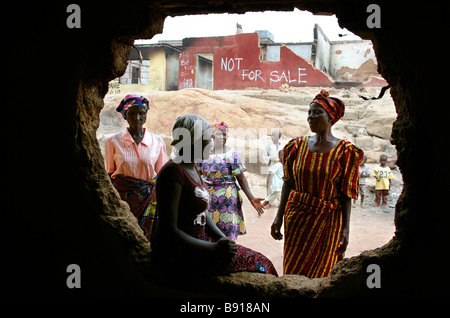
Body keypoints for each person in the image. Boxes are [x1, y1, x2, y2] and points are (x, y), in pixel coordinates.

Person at [151, 114, 278, 277]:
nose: (211, 143)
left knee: (261, 262)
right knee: (260, 265)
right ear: (194, 141)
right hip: (180, 253)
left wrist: (221, 238)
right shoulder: (173, 172)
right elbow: (169, 231)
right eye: (208, 138)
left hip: (198, 243)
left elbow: (201, 213)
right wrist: (213, 248)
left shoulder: (192, 168)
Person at [271, 89, 363, 278]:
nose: (310, 117)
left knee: (323, 272)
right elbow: (288, 184)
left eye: (317, 112)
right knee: (294, 271)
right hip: (296, 218)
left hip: (328, 221)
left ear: (331, 118)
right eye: (309, 113)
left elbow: (346, 193)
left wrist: (345, 229)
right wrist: (278, 217)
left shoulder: (345, 152)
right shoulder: (296, 146)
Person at [105, 94, 167, 241]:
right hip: (122, 200)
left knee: (148, 239)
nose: (137, 118)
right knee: (122, 238)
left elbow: (161, 175)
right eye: (131, 113)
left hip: (150, 200)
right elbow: (110, 174)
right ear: (125, 116)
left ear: (146, 116)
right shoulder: (113, 142)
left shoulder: (157, 142)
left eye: (141, 113)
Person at [196, 121, 265, 240]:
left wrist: (252, 198)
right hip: (207, 198)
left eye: (225, 134)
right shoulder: (203, 153)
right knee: (206, 229)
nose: (222, 137)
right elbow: (196, 175)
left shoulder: (232, 154)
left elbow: (241, 178)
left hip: (227, 199)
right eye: (219, 134)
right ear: (212, 136)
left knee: (226, 230)